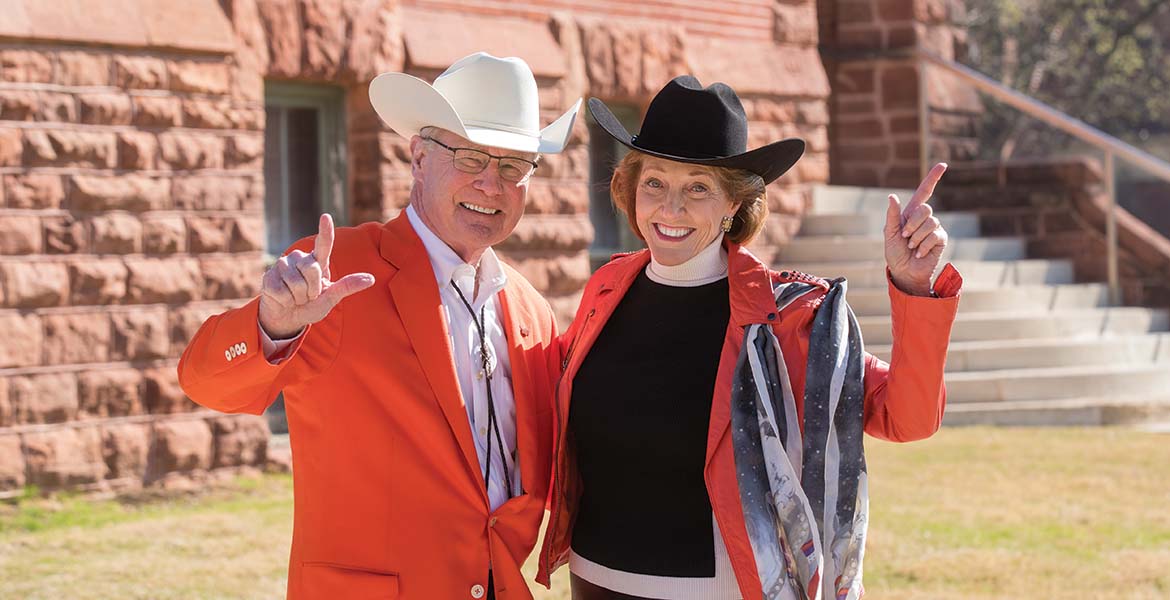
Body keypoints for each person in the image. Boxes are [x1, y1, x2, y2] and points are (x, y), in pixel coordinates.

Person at [535, 76, 963, 600]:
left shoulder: (785, 317)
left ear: (734, 205)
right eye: (655, 182)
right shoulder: (607, 287)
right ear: (631, 188)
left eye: (698, 187)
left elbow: (908, 417)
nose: (670, 209)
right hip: (594, 582)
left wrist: (913, 287)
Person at [178, 53, 581, 599]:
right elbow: (205, 382)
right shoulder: (337, 273)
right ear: (419, 157)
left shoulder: (532, 311)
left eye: (514, 166)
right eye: (470, 157)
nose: (492, 184)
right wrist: (271, 325)